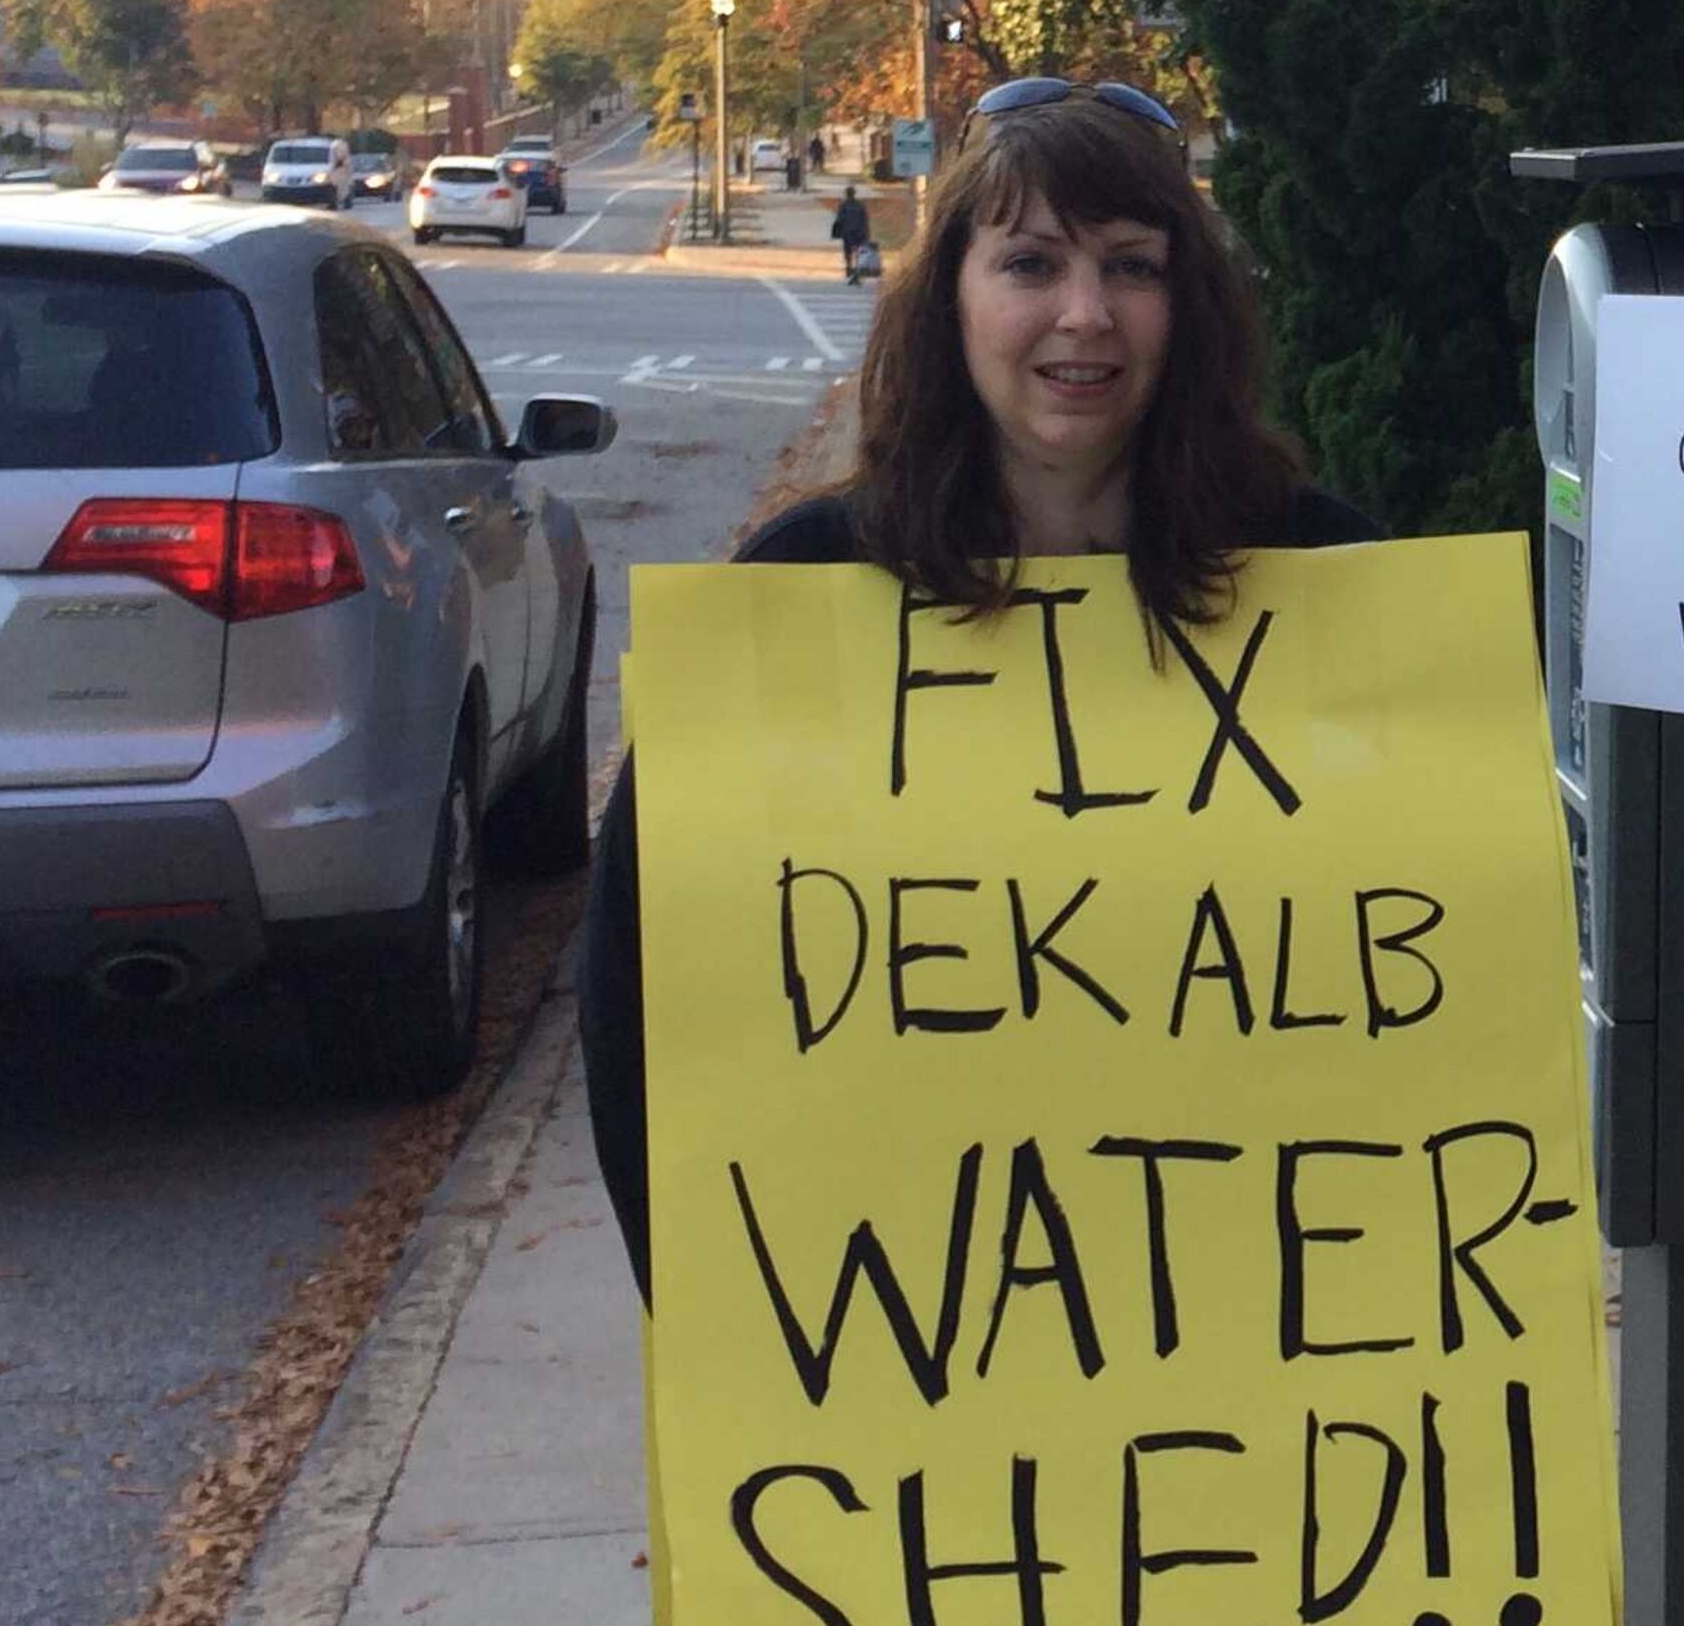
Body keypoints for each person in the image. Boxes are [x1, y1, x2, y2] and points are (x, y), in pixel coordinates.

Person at [580, 78, 1383, 1306]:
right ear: (949, 297)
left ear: (1190, 308)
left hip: (1266, 1306)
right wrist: (726, 1313)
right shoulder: (806, 589)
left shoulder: (1328, 578)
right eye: (1030, 264)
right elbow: (641, 991)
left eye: (1133, 266)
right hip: (903, 1327)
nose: (1085, 314)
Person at [828, 182, 874, 284]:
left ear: (846, 194)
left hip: (847, 231)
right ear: (854, 194)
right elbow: (865, 219)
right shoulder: (860, 205)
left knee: (847, 251)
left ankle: (849, 267)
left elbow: (839, 219)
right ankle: (857, 268)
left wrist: (837, 231)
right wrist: (866, 231)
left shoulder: (844, 205)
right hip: (859, 231)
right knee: (858, 250)